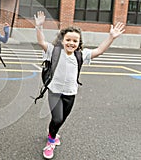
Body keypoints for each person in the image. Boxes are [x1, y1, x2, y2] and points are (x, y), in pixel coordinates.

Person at [34, 11, 125, 159]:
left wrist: (111, 37)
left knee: (61, 119)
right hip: (54, 92)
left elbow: (99, 50)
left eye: (75, 41)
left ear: (78, 43)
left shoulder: (80, 55)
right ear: (62, 40)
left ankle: (53, 132)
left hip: (70, 93)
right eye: (68, 39)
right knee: (57, 119)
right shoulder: (54, 51)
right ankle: (50, 142)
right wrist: (39, 27)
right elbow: (41, 43)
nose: (71, 43)